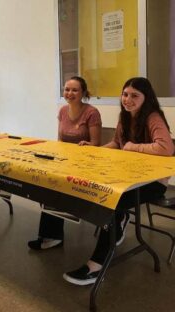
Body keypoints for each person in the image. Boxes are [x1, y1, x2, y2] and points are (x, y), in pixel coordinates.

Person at [63, 77, 175, 286]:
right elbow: (117, 143)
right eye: (125, 94)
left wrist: (133, 147)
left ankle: (96, 265)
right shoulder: (125, 117)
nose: (127, 99)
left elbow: (166, 148)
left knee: (111, 202)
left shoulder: (153, 117)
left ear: (146, 98)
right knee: (98, 192)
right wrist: (94, 150)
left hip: (152, 183)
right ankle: (120, 220)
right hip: (127, 177)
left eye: (134, 96)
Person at [28, 76, 102, 250]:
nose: (70, 93)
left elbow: (97, 144)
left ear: (83, 92)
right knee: (46, 183)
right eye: (67, 89)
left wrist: (87, 146)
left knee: (56, 189)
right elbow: (60, 139)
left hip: (85, 165)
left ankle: (51, 236)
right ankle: (50, 233)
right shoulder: (62, 111)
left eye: (75, 90)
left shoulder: (92, 112)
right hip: (64, 161)